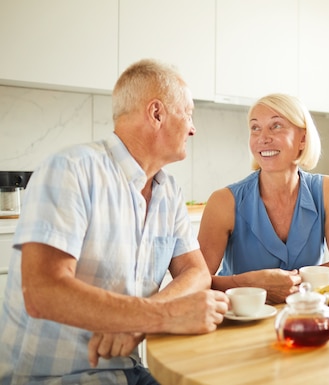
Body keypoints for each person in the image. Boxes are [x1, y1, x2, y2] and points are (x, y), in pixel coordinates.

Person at [0, 59, 229, 384]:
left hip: (128, 371)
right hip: (55, 377)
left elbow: (197, 272)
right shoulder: (71, 169)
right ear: (157, 114)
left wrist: (139, 321)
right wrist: (166, 315)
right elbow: (42, 291)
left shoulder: (169, 191)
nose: (193, 128)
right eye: (188, 113)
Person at [197, 93, 329, 304]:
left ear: (302, 139)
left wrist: (280, 284)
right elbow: (196, 282)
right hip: (241, 324)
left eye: (276, 126)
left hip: (305, 318)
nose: (263, 137)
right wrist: (253, 284)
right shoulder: (223, 202)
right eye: (255, 128)